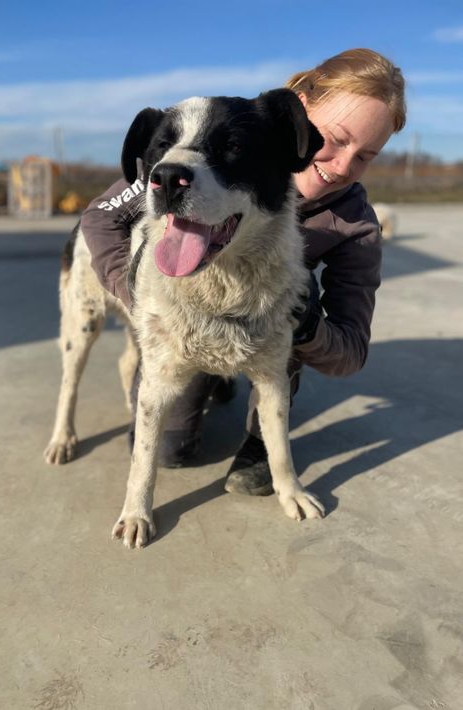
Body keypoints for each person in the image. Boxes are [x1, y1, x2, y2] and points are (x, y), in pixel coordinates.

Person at [80, 48, 406, 495]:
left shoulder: (355, 224)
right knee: (168, 450)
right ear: (300, 114)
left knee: (294, 304)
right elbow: (100, 217)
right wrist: (134, 289)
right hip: (185, 323)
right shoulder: (206, 147)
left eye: (365, 156)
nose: (343, 166)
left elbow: (349, 351)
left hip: (267, 335)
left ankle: (259, 435)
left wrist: (303, 319)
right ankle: (213, 382)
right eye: (335, 139)